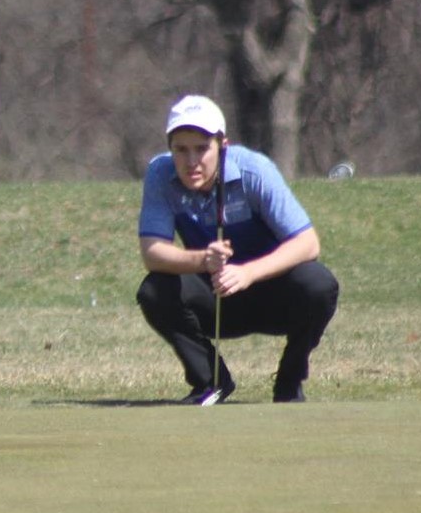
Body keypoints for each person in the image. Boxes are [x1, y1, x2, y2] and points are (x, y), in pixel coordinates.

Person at [134, 94, 339, 405]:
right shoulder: (160, 175)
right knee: (155, 290)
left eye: (202, 149)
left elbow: (307, 243)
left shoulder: (255, 171)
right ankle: (211, 381)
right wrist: (202, 259)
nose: (192, 162)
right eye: (181, 150)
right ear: (170, 149)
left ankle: (289, 381)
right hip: (217, 298)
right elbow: (152, 253)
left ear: (222, 146)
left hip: (273, 295)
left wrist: (248, 272)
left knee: (319, 284)